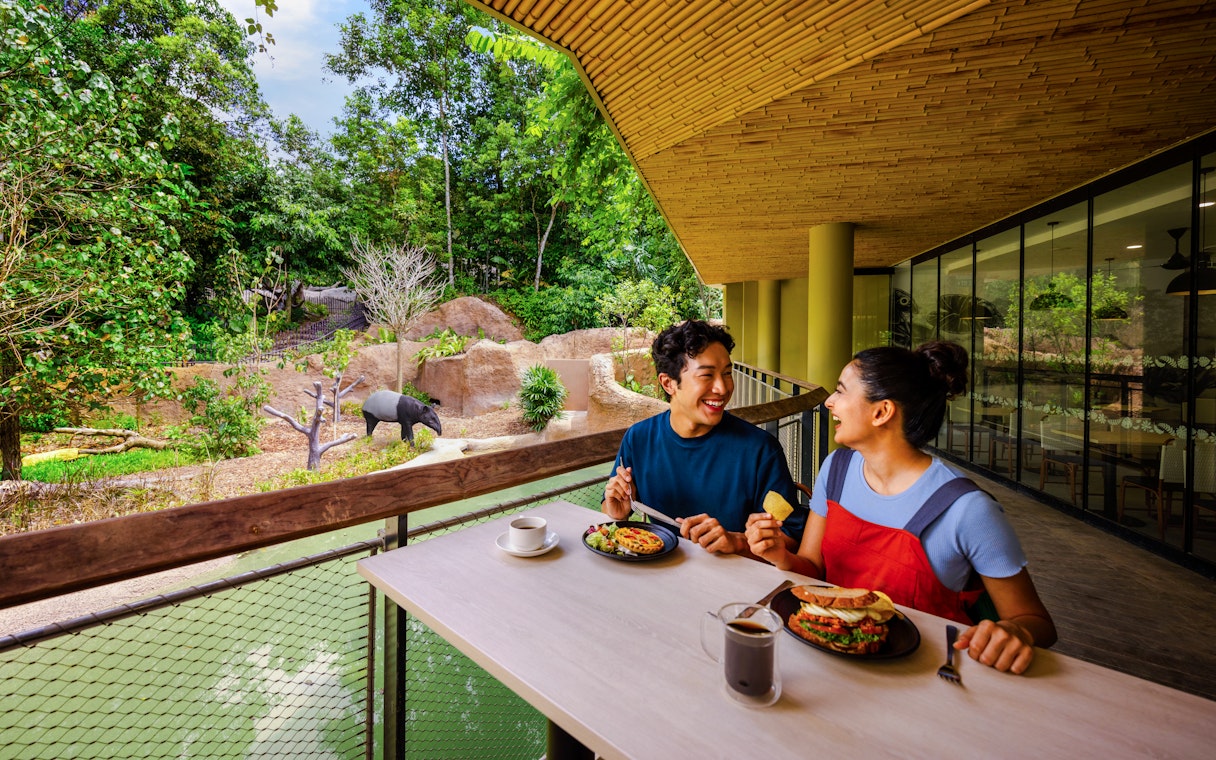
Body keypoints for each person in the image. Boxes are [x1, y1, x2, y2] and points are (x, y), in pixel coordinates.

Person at [745, 341, 1056, 674]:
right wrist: (780, 555)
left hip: (929, 676)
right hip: (831, 657)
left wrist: (1015, 631)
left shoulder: (968, 509)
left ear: (881, 412)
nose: (829, 402)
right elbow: (813, 570)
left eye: (841, 391)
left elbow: (1037, 623)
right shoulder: (836, 469)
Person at [602, 320, 805, 555]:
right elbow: (611, 507)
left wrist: (736, 541)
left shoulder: (760, 449)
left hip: (736, 580)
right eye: (707, 375)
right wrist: (617, 512)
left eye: (727, 373)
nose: (722, 387)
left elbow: (793, 536)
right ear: (668, 383)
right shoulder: (638, 439)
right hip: (658, 573)